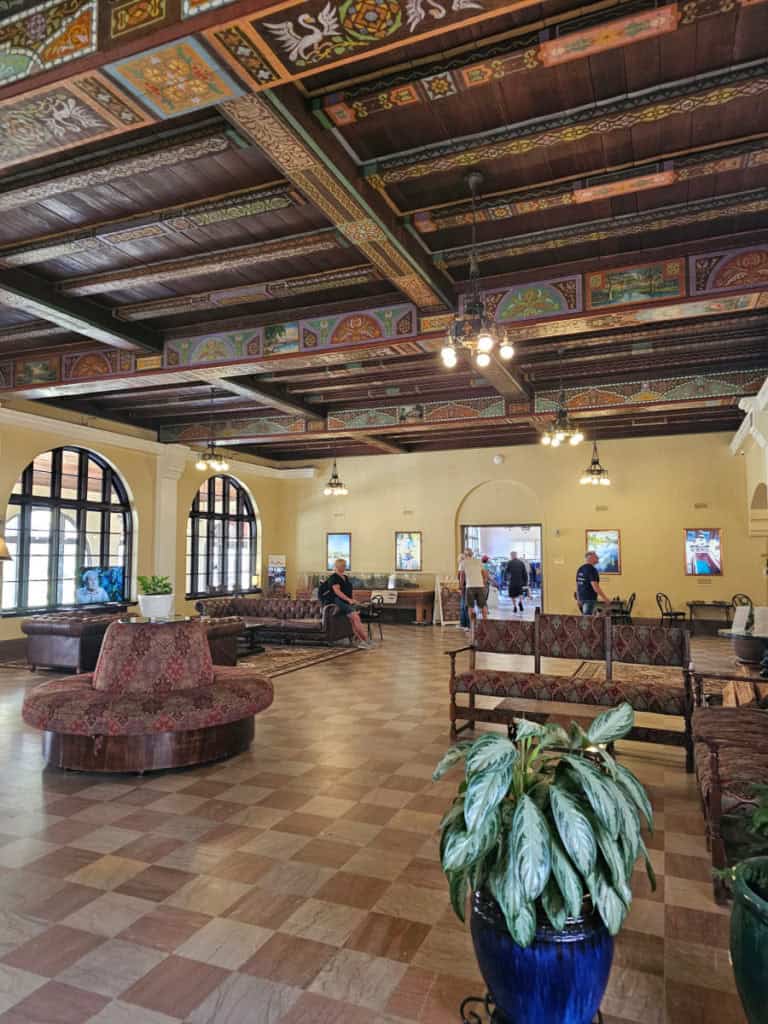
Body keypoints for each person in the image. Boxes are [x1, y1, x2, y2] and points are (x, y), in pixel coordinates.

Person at [324, 558, 372, 648]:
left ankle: (362, 641)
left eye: (345, 565)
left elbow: (348, 591)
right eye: (343, 565)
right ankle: (365, 640)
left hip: (345, 602)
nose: (344, 567)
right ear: (337, 566)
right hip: (338, 601)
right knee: (355, 617)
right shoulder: (333, 577)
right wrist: (348, 600)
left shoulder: (345, 577)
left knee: (353, 620)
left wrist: (354, 600)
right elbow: (337, 592)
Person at [576, 550, 610, 614]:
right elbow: (595, 587)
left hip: (581, 599)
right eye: (596, 557)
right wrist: (605, 598)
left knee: (585, 619)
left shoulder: (580, 569)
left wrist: (578, 599)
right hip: (589, 599)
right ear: (590, 558)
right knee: (588, 620)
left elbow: (578, 586)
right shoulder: (592, 570)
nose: (598, 558)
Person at [460, 552, 489, 625]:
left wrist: (460, 587)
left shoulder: (463, 563)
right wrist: (484, 582)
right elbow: (485, 574)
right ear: (472, 555)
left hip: (470, 587)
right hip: (480, 586)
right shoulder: (479, 561)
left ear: (465, 555)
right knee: (483, 606)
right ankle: (485, 623)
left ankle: (472, 625)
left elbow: (462, 577)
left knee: (470, 607)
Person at [457, 548, 472, 630]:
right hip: (466, 587)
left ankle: (467, 625)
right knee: (463, 606)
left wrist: (460, 588)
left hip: (466, 587)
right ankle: (463, 624)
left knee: (465, 606)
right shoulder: (464, 565)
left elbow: (462, 578)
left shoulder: (462, 565)